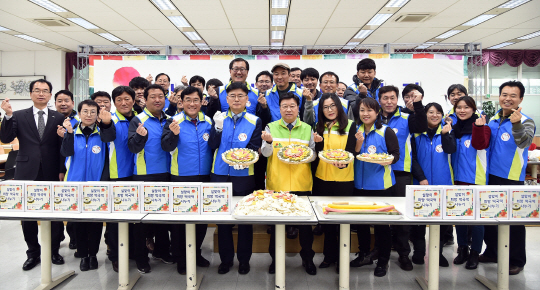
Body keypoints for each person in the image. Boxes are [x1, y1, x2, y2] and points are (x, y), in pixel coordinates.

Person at [0, 79, 66, 270]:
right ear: (30, 94)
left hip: (52, 170)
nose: (41, 94)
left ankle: (53, 251)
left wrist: (62, 169)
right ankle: (33, 253)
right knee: (27, 214)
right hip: (26, 170)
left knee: (54, 212)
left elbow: (62, 147)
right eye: (37, 90)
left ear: (50, 95)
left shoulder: (58, 117)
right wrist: (8, 115)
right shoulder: (19, 116)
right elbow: (5, 138)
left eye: (45, 91)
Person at [480, 81, 535, 275]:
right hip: (489, 176)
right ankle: (493, 251)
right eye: (504, 94)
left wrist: (516, 123)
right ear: (499, 96)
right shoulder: (493, 120)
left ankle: (517, 260)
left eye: (513, 95)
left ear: (520, 99)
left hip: (512, 178)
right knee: (489, 215)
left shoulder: (526, 121)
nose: (508, 98)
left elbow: (524, 141)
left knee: (514, 220)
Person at [208, 82, 262, 275]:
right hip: (220, 174)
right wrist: (219, 128)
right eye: (232, 96)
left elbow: (255, 146)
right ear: (226, 99)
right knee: (222, 220)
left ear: (247, 99)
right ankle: (226, 259)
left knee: (244, 220)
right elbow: (212, 145)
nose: (236, 99)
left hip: (244, 174)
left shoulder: (255, 120)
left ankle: (244, 259)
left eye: (240, 96)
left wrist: (244, 160)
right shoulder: (219, 118)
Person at [261, 92, 317, 275]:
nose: (288, 109)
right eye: (284, 106)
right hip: (278, 184)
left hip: (302, 184)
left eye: (292, 106)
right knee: (276, 227)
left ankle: (308, 259)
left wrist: (307, 155)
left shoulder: (308, 128)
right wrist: (268, 143)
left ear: (298, 108)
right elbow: (266, 154)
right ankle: (275, 261)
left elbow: (313, 155)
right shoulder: (270, 127)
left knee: (305, 228)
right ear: (280, 108)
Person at [161, 86, 212, 275]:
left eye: (196, 100)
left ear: (201, 102)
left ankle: (196, 253)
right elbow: (166, 147)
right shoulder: (173, 121)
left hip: (205, 175)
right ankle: (181, 258)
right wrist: (173, 134)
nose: (192, 104)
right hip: (181, 176)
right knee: (180, 222)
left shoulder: (208, 121)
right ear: (181, 102)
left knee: (201, 220)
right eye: (188, 100)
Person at [60, 99, 115, 271]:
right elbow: (66, 153)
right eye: (85, 111)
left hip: (96, 185)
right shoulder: (71, 131)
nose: (89, 115)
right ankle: (83, 255)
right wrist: (68, 134)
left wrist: (105, 122)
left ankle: (93, 255)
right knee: (78, 223)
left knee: (95, 223)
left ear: (97, 114)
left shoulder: (102, 132)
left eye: (93, 111)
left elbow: (110, 137)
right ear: (79, 113)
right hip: (75, 185)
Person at [378, 85, 427, 271]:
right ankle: (381, 254)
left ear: (397, 99)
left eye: (392, 98)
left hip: (401, 172)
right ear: (379, 99)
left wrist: (419, 104)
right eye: (385, 98)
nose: (389, 102)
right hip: (378, 173)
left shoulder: (407, 117)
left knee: (401, 218)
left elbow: (421, 126)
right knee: (381, 216)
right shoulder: (373, 117)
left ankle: (403, 254)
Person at [349, 97, 399, 277]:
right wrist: (358, 144)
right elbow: (351, 155)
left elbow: (395, 155)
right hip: (359, 186)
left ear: (377, 112)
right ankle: (363, 254)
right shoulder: (355, 130)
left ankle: (383, 260)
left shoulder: (386, 131)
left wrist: (389, 159)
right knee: (361, 224)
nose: (365, 114)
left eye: (369, 110)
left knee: (381, 226)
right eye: (362, 110)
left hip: (381, 186)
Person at [128, 84, 174, 268]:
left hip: (167, 173)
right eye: (153, 97)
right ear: (145, 100)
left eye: (161, 96)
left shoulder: (171, 120)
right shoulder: (137, 120)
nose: (157, 100)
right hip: (144, 174)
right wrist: (140, 137)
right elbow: (133, 147)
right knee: (142, 221)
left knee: (163, 217)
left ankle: (162, 251)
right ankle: (141, 258)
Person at [311, 93, 357, 272]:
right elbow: (320, 153)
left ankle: (342, 259)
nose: (329, 110)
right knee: (327, 221)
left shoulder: (350, 126)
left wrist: (343, 163)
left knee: (342, 222)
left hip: (343, 179)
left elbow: (351, 151)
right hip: (322, 179)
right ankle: (329, 256)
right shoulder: (319, 126)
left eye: (332, 106)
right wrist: (317, 143)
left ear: (339, 106)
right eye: (325, 107)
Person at [410, 102, 455, 267]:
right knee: (419, 220)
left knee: (442, 221)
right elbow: (412, 158)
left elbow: (451, 150)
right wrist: (421, 177)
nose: (434, 115)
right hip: (420, 182)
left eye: (438, 112)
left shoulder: (447, 132)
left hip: (444, 182)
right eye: (431, 112)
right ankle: (419, 251)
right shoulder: (416, 134)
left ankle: (438, 253)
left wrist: (445, 134)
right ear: (425, 114)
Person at [450, 96, 489, 270]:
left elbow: (481, 144)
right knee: (459, 217)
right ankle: (462, 249)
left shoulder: (481, 127)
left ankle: (475, 253)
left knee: (477, 219)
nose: (462, 110)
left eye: (466, 107)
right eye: (459, 107)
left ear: (473, 109)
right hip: (457, 179)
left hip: (476, 180)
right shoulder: (454, 129)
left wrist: (479, 127)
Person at [54, 89, 78, 250]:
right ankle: (59, 237)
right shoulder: (52, 120)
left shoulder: (78, 121)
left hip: (72, 169)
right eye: (60, 101)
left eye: (66, 100)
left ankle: (75, 237)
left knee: (74, 206)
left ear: (72, 102)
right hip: (55, 168)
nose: (63, 104)